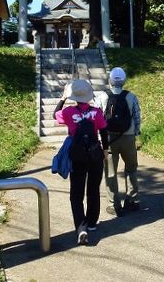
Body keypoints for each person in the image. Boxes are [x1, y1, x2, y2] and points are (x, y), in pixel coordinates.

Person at [53, 79, 108, 245]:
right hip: (95, 154)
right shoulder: (97, 112)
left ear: (74, 96)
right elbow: (104, 132)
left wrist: (63, 98)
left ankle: (81, 227)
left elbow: (55, 114)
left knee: (76, 194)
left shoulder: (69, 112)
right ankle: (91, 223)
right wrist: (105, 150)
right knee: (93, 190)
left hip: (77, 156)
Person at [96, 67, 142, 216]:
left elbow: (97, 117)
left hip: (108, 139)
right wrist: (136, 132)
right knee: (131, 168)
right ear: (124, 81)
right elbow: (136, 116)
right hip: (128, 138)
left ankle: (114, 204)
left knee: (110, 172)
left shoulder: (102, 96)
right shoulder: (131, 96)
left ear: (110, 80)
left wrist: (98, 136)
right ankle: (132, 200)